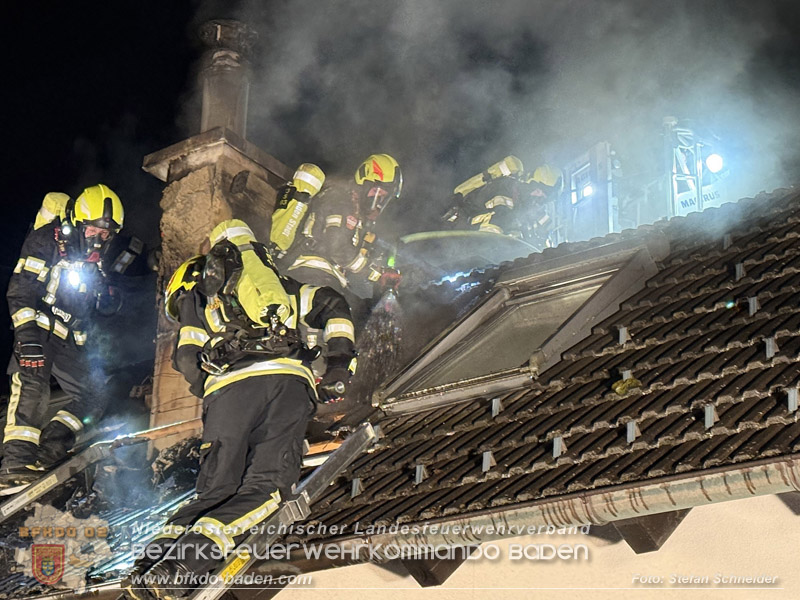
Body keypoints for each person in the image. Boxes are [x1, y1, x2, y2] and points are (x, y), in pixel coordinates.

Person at [127, 219, 356, 600]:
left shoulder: (197, 299)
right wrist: (339, 367)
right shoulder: (282, 285)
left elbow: (185, 358)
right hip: (285, 384)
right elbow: (334, 304)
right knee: (267, 488)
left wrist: (213, 390)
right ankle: (180, 568)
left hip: (226, 396)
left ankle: (148, 568)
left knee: (213, 493)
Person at [1, 184, 124, 488]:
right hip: (38, 328)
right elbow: (20, 290)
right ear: (78, 224)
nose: (99, 239)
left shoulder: (95, 262)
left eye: (105, 234)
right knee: (33, 385)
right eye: (93, 230)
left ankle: (50, 450)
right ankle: (15, 463)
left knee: (95, 393)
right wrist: (27, 335)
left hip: (69, 339)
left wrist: (105, 299)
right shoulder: (47, 240)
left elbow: (87, 308)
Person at [273, 154, 403, 304]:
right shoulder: (341, 200)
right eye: (376, 192)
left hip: (323, 280)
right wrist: (378, 274)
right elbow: (338, 249)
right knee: (338, 315)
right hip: (311, 273)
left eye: (383, 197)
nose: (378, 202)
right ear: (365, 183)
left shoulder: (356, 213)